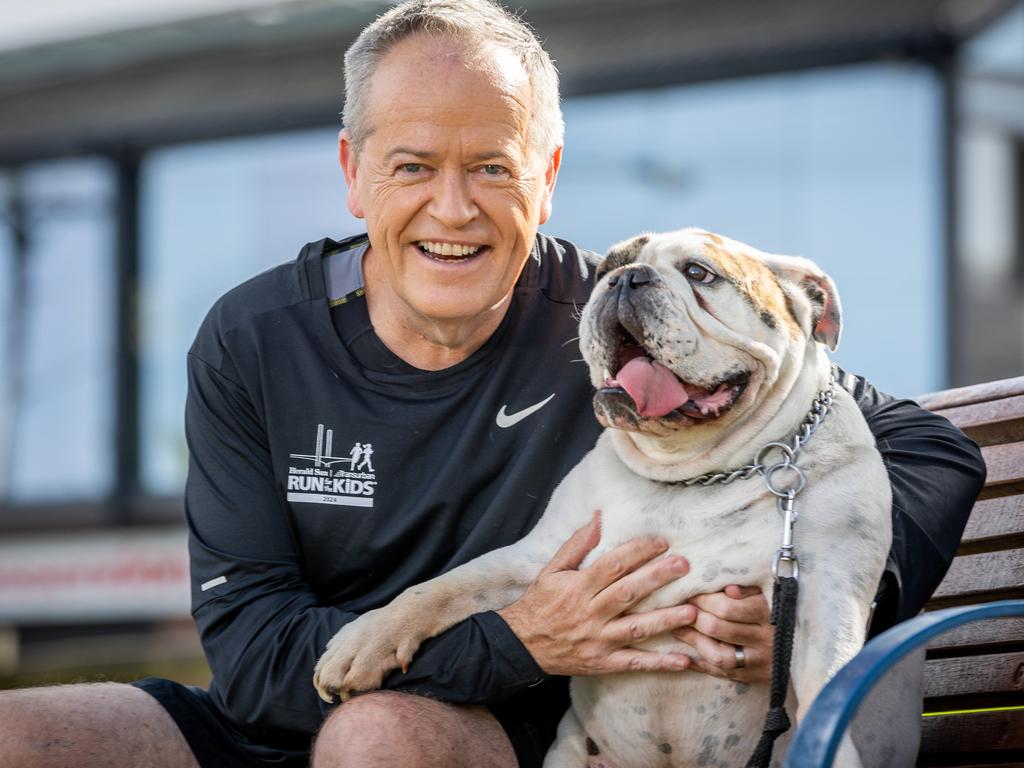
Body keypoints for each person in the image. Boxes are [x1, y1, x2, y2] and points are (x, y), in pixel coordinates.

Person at [0, 1, 985, 767]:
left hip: (495, 739)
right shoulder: (251, 341)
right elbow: (256, 663)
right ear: (353, 173)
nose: (454, 208)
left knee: (377, 738)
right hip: (276, 727)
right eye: (413, 166)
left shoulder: (620, 324)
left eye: (492, 168)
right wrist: (512, 637)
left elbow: (923, 444)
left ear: (546, 175)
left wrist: (812, 606)